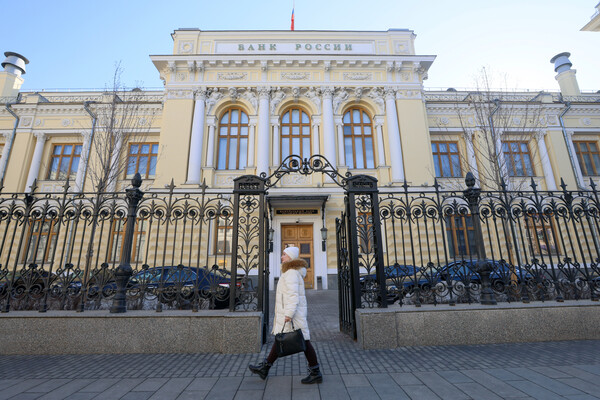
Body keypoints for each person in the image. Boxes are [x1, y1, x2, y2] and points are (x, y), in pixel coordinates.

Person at [248, 246, 322, 384]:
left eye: (284, 254)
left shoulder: (291, 273)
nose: (281, 257)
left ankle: (315, 373)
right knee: (282, 339)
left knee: (303, 341)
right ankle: (265, 367)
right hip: (293, 314)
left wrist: (288, 314)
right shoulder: (290, 272)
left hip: (293, 315)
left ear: (290, 257)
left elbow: (293, 296)